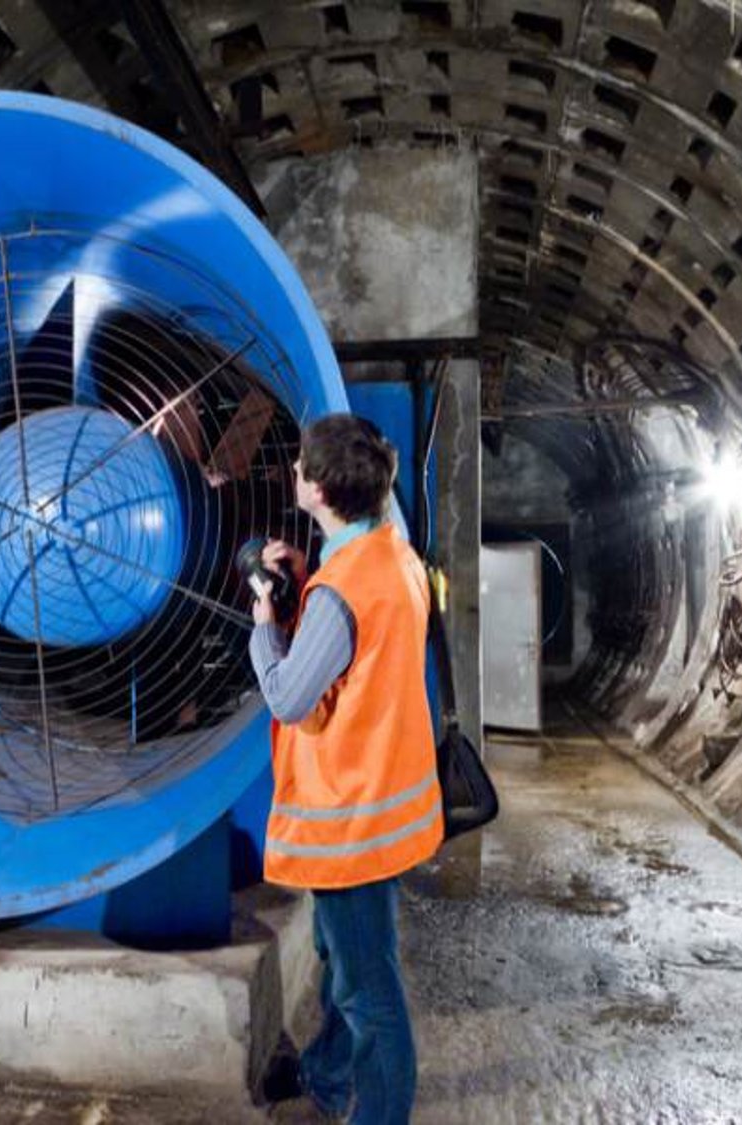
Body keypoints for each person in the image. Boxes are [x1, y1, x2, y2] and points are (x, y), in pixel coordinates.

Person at [246, 413, 443, 1125]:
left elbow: (292, 697)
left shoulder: (340, 590)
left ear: (320, 490)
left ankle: (378, 1112)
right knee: (342, 952)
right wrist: (309, 581)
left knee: (369, 992)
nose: (292, 473)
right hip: (389, 799)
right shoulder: (394, 554)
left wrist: (267, 620)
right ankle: (327, 1077)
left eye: (300, 466)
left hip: (351, 818)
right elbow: (356, 644)